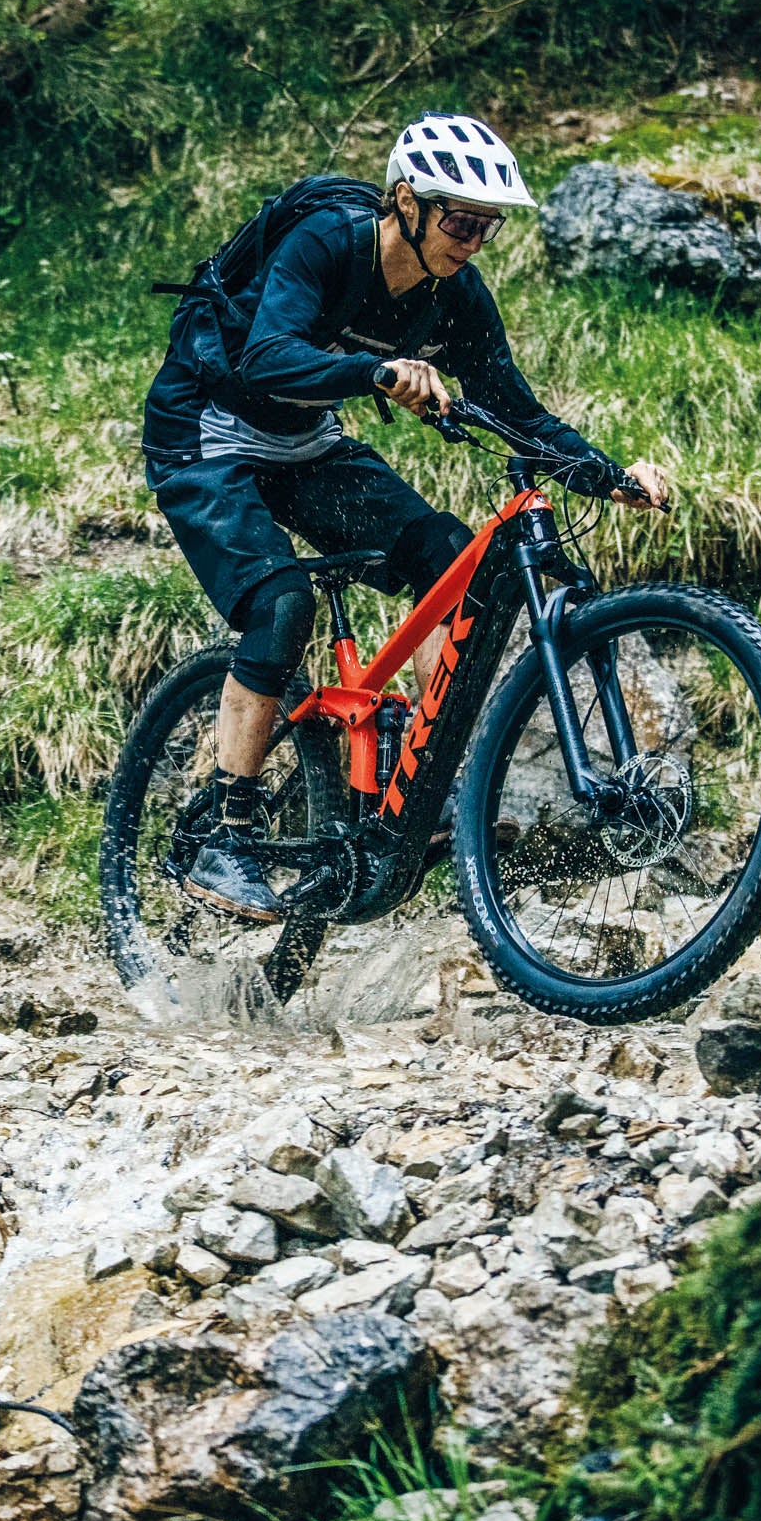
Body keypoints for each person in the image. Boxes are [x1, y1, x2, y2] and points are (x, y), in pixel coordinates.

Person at [140, 111, 672, 921]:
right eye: (461, 222)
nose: (473, 242)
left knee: (454, 564)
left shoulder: (455, 295)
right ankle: (225, 836)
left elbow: (516, 409)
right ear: (406, 203)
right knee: (282, 604)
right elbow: (267, 355)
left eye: (487, 228)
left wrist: (609, 478)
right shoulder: (326, 241)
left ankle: (423, 789)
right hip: (205, 429)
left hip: (304, 442)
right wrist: (377, 370)